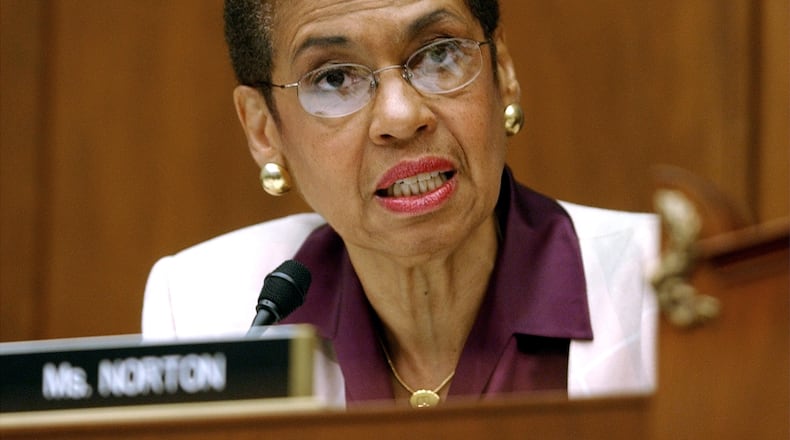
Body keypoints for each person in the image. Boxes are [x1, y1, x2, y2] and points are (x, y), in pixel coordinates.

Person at [142, 0, 659, 409]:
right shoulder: (204, 311)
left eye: (439, 53)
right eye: (333, 78)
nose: (400, 115)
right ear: (263, 128)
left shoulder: (662, 287)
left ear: (502, 70)